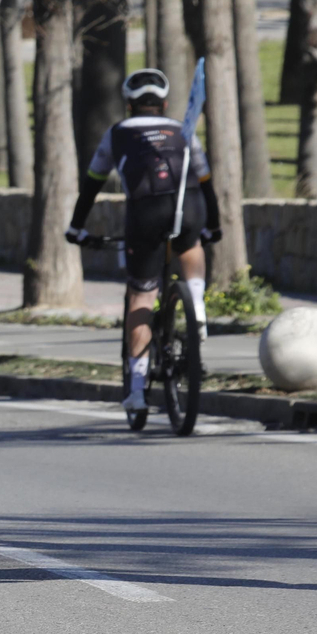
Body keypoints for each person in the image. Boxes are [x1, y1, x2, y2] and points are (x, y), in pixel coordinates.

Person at [66, 68, 220, 412]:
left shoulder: (116, 133)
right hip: (189, 204)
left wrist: (77, 227)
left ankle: (136, 391)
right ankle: (196, 309)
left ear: (129, 104)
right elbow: (205, 180)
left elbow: (92, 184)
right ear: (164, 102)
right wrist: (216, 224)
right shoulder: (184, 130)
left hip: (145, 212)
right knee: (191, 245)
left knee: (142, 295)